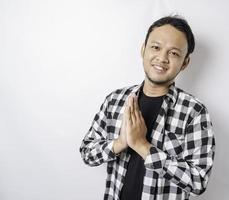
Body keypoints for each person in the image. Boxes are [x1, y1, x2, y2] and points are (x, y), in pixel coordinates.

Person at [79, 15, 215, 200]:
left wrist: (143, 146)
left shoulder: (194, 112)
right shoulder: (115, 100)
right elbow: (87, 153)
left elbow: (198, 181)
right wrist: (120, 142)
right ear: (143, 49)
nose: (162, 58)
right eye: (156, 47)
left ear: (185, 62)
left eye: (173, 53)